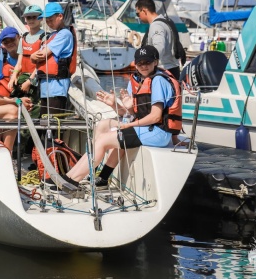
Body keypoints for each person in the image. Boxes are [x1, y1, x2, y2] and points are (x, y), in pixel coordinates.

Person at [62, 45, 182, 187]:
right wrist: (115, 104)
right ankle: (96, 175)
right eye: (140, 63)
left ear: (155, 62)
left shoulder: (158, 81)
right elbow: (130, 114)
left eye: (148, 62)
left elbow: (155, 117)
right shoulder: (137, 80)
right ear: (135, 64)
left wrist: (129, 125)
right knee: (103, 125)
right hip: (144, 127)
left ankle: (71, 180)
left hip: (158, 132)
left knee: (104, 140)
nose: (143, 66)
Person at [30, 2, 77, 116]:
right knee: (43, 120)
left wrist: (32, 56)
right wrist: (33, 57)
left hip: (57, 86)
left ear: (60, 16)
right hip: (45, 86)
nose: (49, 23)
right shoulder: (52, 36)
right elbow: (38, 57)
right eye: (46, 21)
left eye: (51, 20)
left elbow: (42, 55)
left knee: (54, 121)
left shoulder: (64, 34)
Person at [135, 0, 181, 79]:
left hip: (164, 71)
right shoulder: (165, 21)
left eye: (138, 14)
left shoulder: (156, 26)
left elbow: (159, 48)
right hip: (172, 69)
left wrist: (143, 62)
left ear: (144, 11)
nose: (138, 17)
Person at [17, 5, 46, 98]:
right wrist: (14, 76)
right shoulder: (23, 38)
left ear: (41, 18)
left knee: (35, 105)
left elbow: (42, 64)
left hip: (36, 81)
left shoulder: (45, 37)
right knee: (20, 104)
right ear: (25, 19)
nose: (31, 20)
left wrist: (29, 81)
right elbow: (19, 63)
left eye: (34, 17)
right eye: (28, 17)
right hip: (23, 79)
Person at [0, 27, 21, 98]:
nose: (9, 43)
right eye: (5, 42)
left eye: (12, 39)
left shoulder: (28, 54)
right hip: (6, 98)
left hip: (24, 93)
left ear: (19, 37)